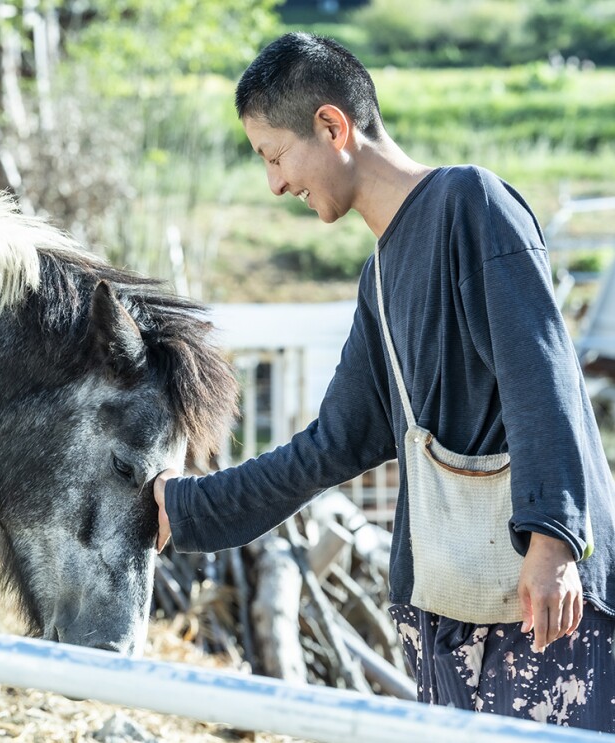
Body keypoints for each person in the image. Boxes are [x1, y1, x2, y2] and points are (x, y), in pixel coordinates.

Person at [153, 32, 615, 730]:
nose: (275, 184)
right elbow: (331, 446)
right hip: (446, 614)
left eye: (275, 156)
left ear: (333, 126)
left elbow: (542, 373)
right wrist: (186, 510)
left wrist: (554, 541)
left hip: (542, 603)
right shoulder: (378, 277)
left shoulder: (471, 204)